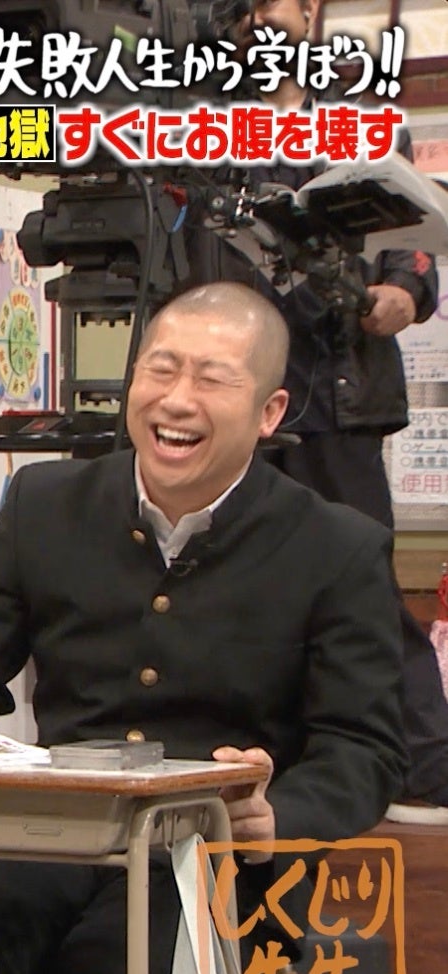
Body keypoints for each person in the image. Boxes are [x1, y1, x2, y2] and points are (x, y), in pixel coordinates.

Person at [0, 282, 407, 974]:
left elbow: (365, 748)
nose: (176, 401)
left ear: (270, 412)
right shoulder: (44, 503)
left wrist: (277, 813)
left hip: (217, 861)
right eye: (160, 370)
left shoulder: (338, 547)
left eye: (212, 379)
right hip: (55, 837)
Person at [220, 0, 448, 820]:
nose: (260, 16)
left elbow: (412, 239)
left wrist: (404, 293)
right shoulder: (200, 119)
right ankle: (261, 767)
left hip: (338, 393)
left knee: (365, 585)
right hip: (236, 391)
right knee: (235, 586)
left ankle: (426, 769)